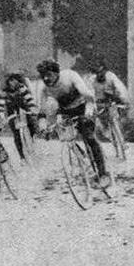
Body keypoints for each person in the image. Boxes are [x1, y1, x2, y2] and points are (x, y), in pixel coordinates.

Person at [35, 60, 115, 193]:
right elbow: (42, 110)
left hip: (84, 106)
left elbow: (88, 95)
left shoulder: (69, 76)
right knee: (67, 139)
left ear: (56, 72)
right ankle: (84, 162)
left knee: (89, 137)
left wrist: (88, 112)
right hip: (66, 111)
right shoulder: (45, 89)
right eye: (43, 75)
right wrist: (43, 126)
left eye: (49, 74)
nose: (46, 78)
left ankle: (103, 174)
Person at [0, 72, 38, 161]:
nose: (13, 83)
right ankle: (22, 156)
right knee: (16, 135)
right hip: (11, 112)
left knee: (31, 122)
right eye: (11, 80)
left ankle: (32, 136)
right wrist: (2, 116)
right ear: (8, 82)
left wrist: (32, 109)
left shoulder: (22, 87)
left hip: (24, 108)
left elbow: (29, 99)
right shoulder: (3, 91)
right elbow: (0, 104)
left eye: (15, 80)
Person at [88, 58, 130, 140]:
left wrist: (125, 100)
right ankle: (107, 135)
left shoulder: (110, 76)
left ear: (104, 69)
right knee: (101, 126)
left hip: (110, 104)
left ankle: (120, 140)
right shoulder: (92, 80)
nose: (100, 74)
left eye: (102, 71)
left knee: (115, 120)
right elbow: (89, 94)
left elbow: (120, 88)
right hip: (99, 105)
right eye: (97, 73)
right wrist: (91, 106)